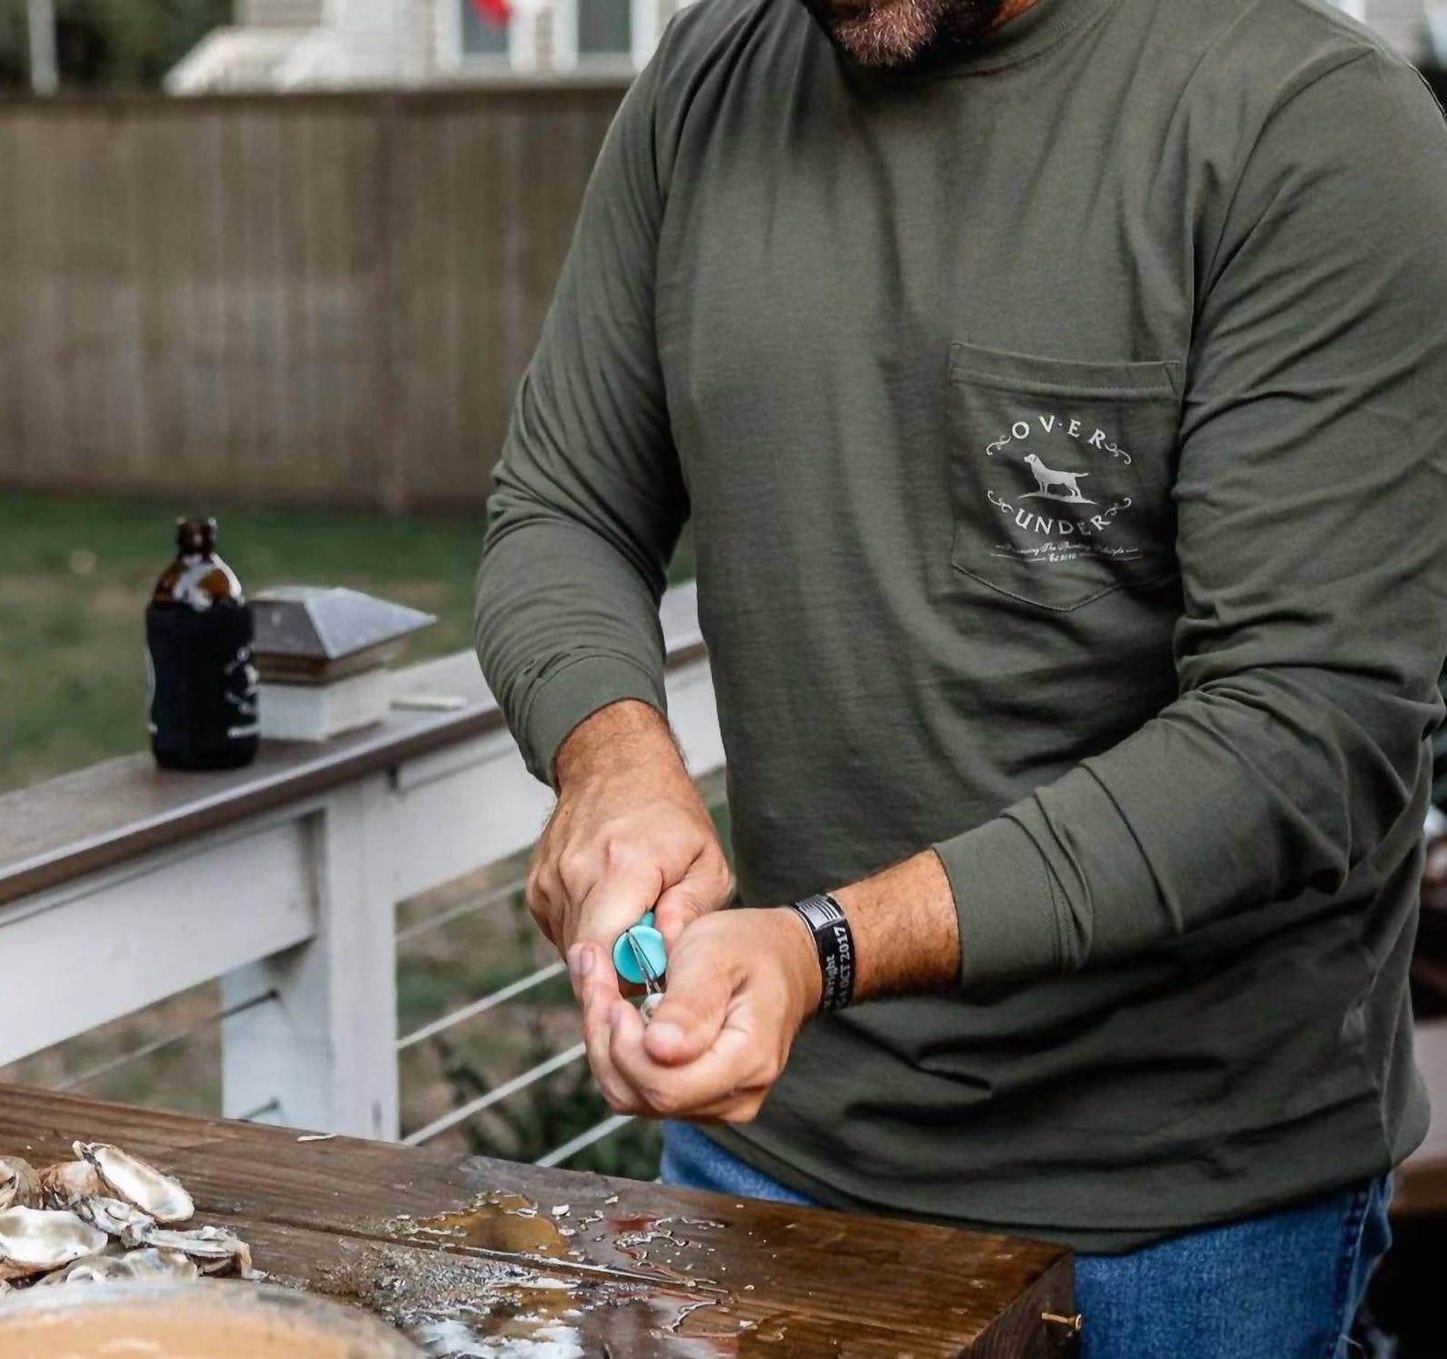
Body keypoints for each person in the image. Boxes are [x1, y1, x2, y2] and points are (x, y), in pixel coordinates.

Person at [472, 0, 1447, 1349]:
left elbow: (1304, 730)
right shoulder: (708, 75)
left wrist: (824, 947)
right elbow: (564, 506)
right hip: (768, 1154)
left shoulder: (1308, 121)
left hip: (1185, 1217)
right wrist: (612, 760)